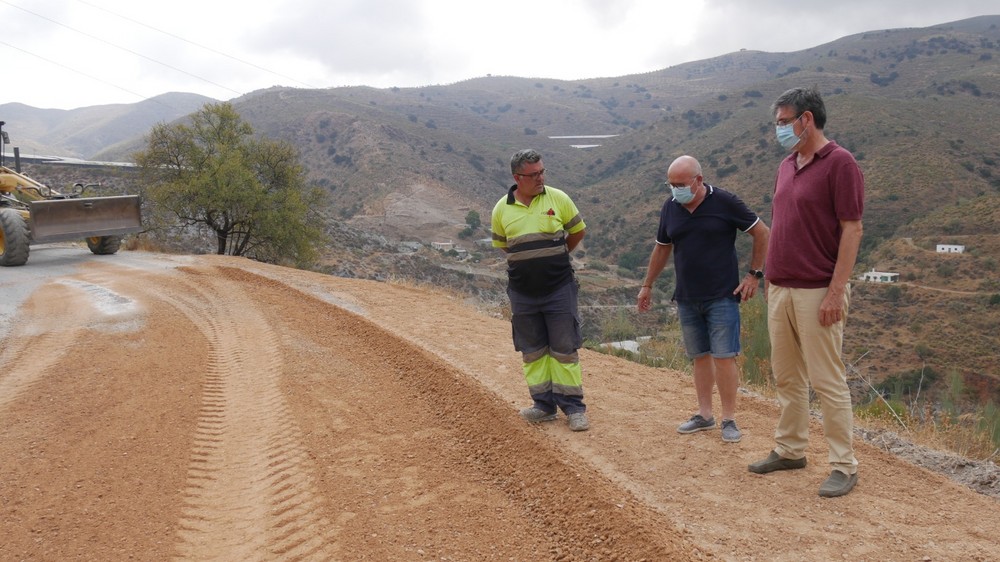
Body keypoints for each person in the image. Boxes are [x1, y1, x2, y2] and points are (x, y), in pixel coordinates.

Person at [748, 87, 865, 498]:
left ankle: (843, 465)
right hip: (781, 287)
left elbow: (852, 229)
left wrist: (836, 292)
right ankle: (791, 450)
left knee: (826, 379)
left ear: (807, 119)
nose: (779, 128)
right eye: (777, 122)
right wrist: (768, 278)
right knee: (788, 377)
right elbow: (783, 224)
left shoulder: (840, 163)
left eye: (784, 121)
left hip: (818, 290)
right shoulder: (787, 164)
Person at [637, 155, 769, 443]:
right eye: (670, 184)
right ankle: (705, 415)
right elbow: (662, 248)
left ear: (698, 180)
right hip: (687, 295)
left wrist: (754, 274)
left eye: (680, 184)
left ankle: (729, 419)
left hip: (722, 294)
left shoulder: (725, 202)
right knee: (700, 357)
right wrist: (647, 285)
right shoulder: (670, 207)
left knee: (724, 357)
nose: (675, 190)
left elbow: (762, 232)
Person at [491, 149, 590, 432]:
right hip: (522, 293)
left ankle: (573, 408)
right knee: (532, 350)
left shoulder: (558, 198)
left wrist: (557, 256)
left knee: (564, 349)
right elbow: (503, 245)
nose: (540, 178)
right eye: (533, 175)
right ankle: (543, 405)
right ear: (517, 177)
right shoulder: (501, 209)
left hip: (559, 288)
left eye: (542, 172)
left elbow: (577, 232)